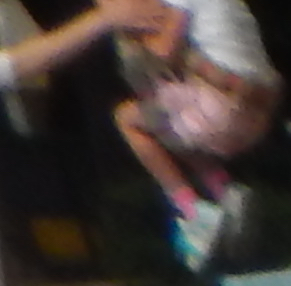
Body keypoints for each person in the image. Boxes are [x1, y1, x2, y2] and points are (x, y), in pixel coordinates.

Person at [0, 0, 276, 270]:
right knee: (170, 120)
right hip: (257, 108)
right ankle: (222, 188)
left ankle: (191, 210)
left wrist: (128, 31)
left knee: (129, 118)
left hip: (220, 103)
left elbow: (163, 51)